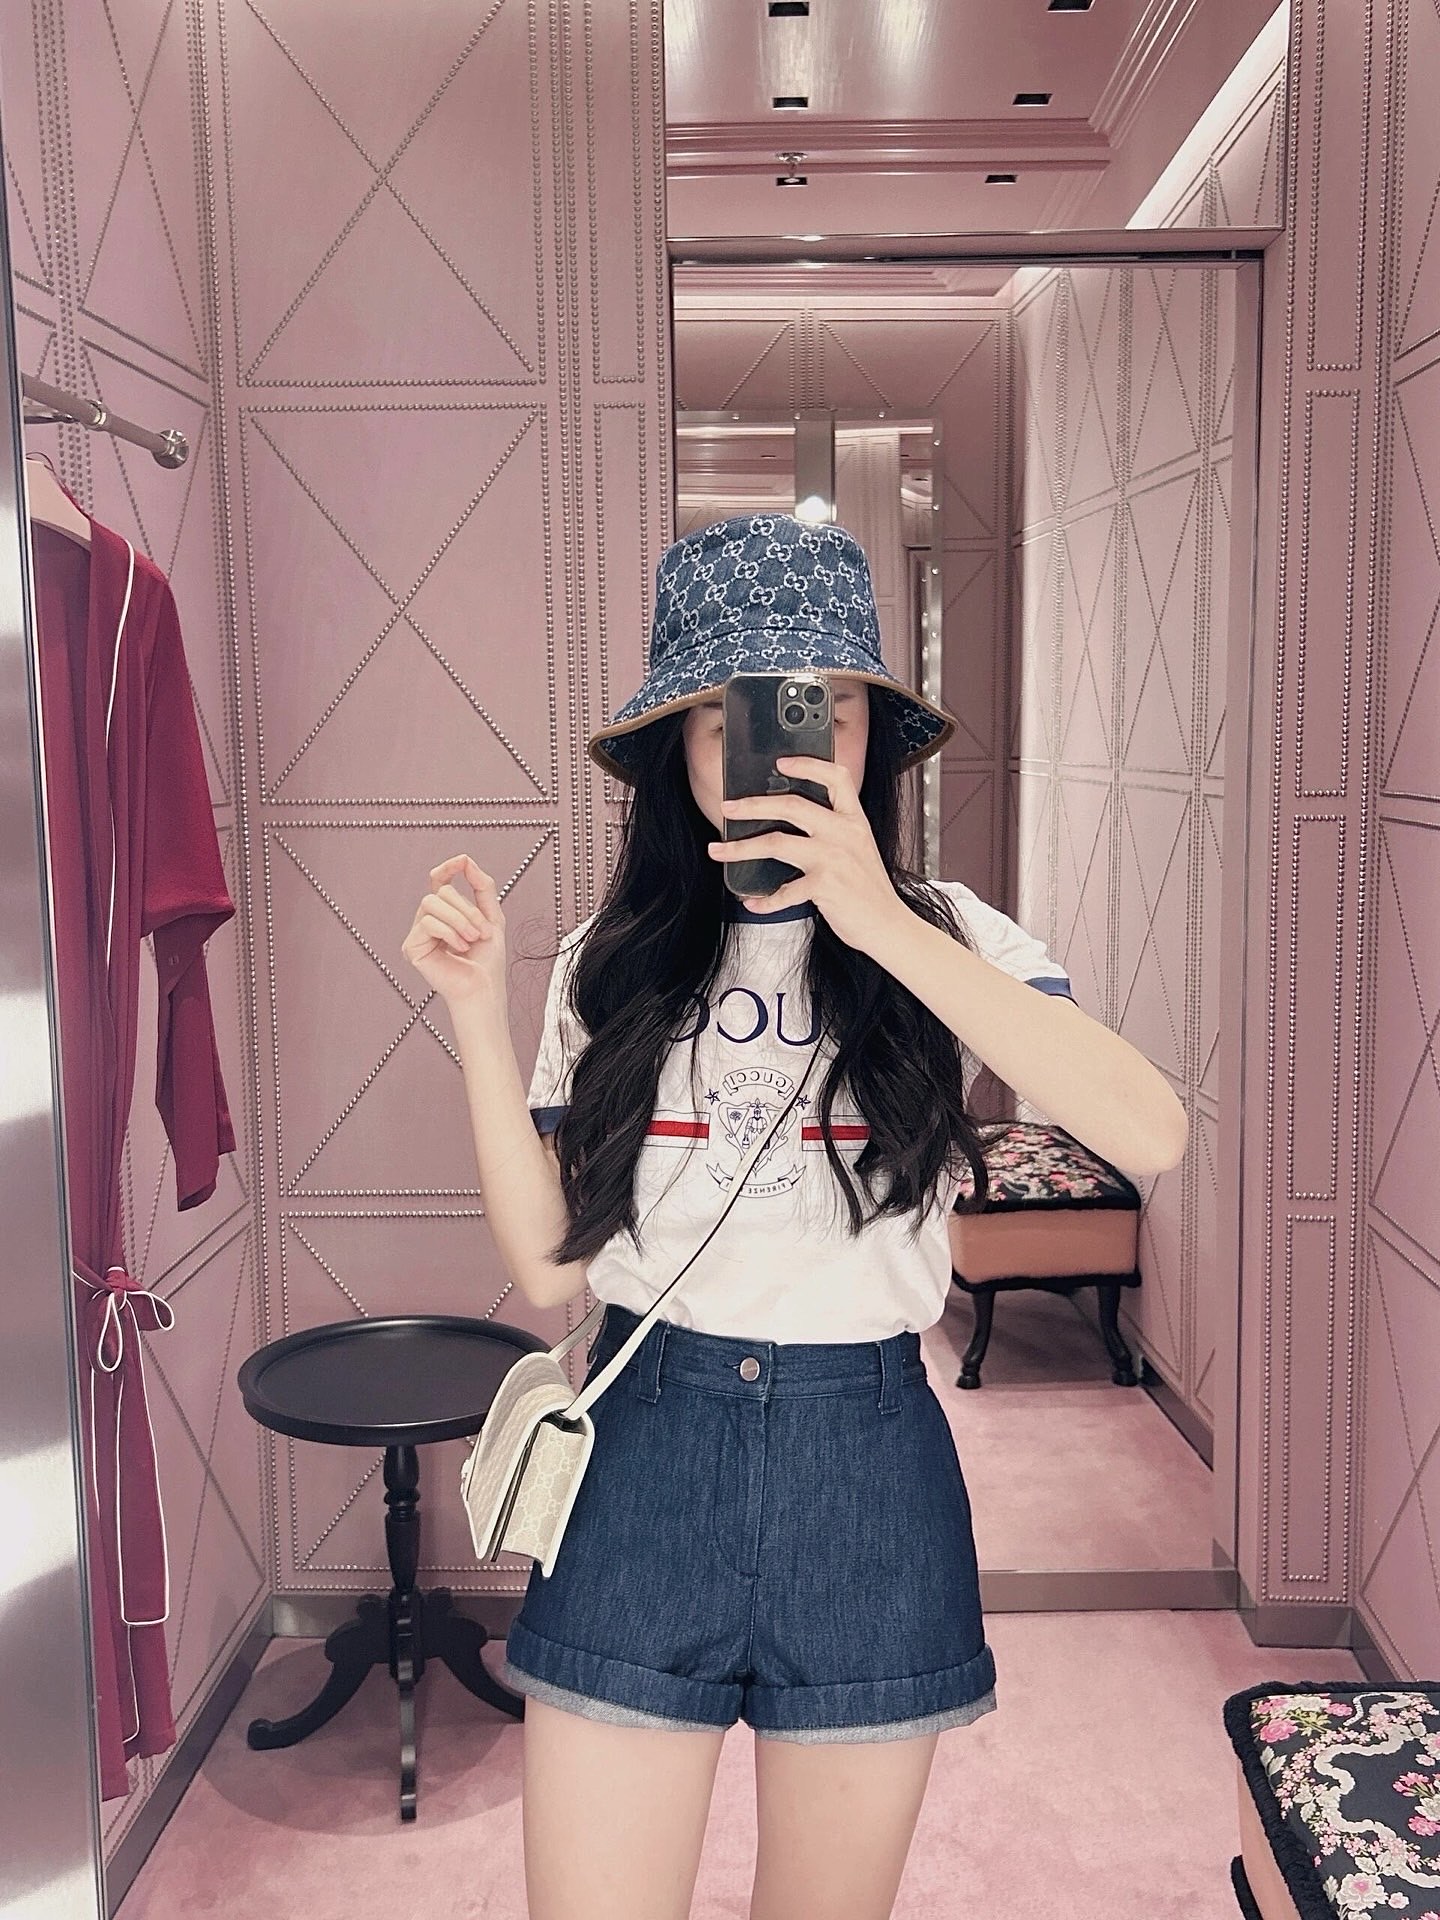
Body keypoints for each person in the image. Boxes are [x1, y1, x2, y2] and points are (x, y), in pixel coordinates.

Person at [401, 514, 1187, 1920]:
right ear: (678, 751)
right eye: (728, 720)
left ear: (869, 735)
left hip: (866, 1470)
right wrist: (473, 1013)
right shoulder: (609, 965)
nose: (774, 752)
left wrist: (879, 922)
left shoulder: (953, 938)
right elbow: (545, 1266)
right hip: (645, 1453)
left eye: (817, 709)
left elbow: (1150, 1131)